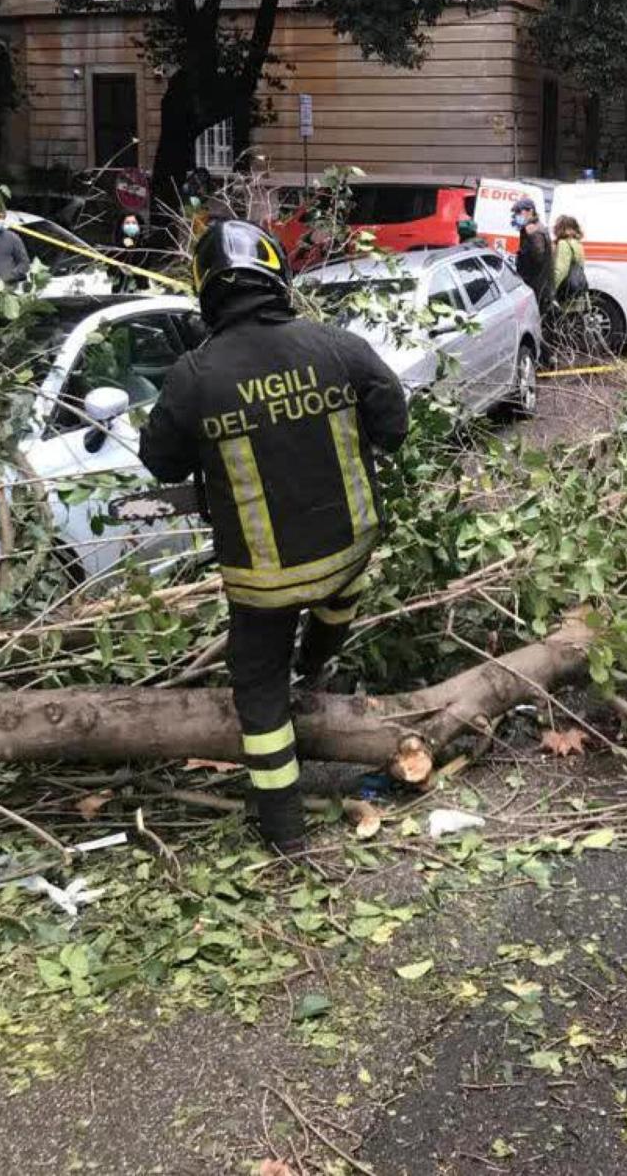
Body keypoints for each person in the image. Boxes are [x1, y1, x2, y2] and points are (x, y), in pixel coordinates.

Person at [138, 221, 408, 853]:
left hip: (263, 583)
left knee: (258, 696)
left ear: (206, 289)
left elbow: (162, 463)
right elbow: (393, 423)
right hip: (350, 554)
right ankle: (313, 666)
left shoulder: (194, 374)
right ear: (276, 277)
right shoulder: (338, 345)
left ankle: (286, 835)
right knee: (339, 593)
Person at [512, 196, 553, 314]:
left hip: (536, 285)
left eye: (519, 212)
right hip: (536, 284)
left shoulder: (534, 231)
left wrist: (530, 237)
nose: (516, 215)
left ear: (530, 211)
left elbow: (538, 258)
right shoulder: (529, 228)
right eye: (515, 213)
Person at [552, 215, 588, 306]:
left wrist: (552, 289)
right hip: (575, 290)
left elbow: (561, 270)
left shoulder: (564, 243)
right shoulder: (577, 243)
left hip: (565, 291)